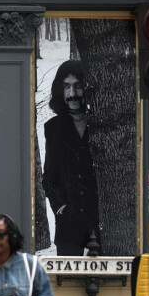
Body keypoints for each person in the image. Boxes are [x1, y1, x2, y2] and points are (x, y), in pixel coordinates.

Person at [41, 59, 100, 256]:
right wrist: (60, 206)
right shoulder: (53, 128)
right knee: (67, 281)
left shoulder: (103, 123)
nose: (72, 94)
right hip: (68, 223)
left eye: (78, 86)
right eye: (66, 87)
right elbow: (49, 177)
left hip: (101, 221)